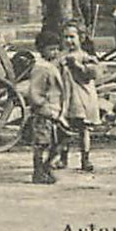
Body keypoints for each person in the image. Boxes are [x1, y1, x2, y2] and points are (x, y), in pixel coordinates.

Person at [56, 22, 101, 173]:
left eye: (72, 37)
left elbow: (92, 74)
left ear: (80, 38)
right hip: (66, 96)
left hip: (82, 96)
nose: (69, 41)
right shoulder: (60, 56)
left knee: (84, 129)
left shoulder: (86, 57)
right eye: (66, 37)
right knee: (63, 128)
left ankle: (85, 158)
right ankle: (63, 158)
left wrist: (77, 65)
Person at [26, 27, 67, 185]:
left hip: (55, 111)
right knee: (42, 143)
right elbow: (35, 92)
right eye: (51, 49)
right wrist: (42, 106)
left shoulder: (52, 66)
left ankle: (46, 167)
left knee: (59, 141)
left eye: (57, 49)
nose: (55, 52)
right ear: (42, 50)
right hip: (45, 113)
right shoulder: (41, 68)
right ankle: (39, 171)